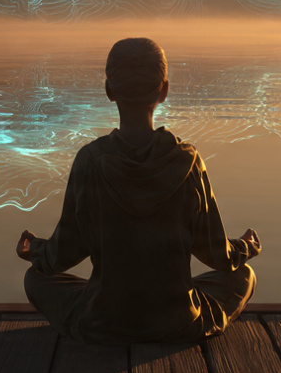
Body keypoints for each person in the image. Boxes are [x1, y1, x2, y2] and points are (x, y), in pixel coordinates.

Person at [16, 37, 261, 344]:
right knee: (244, 276)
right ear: (164, 90)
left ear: (109, 90)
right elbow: (217, 256)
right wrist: (245, 247)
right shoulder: (188, 162)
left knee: (36, 279)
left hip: (103, 320)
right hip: (178, 320)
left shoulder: (89, 161)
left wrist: (34, 251)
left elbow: (64, 254)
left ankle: (102, 319)